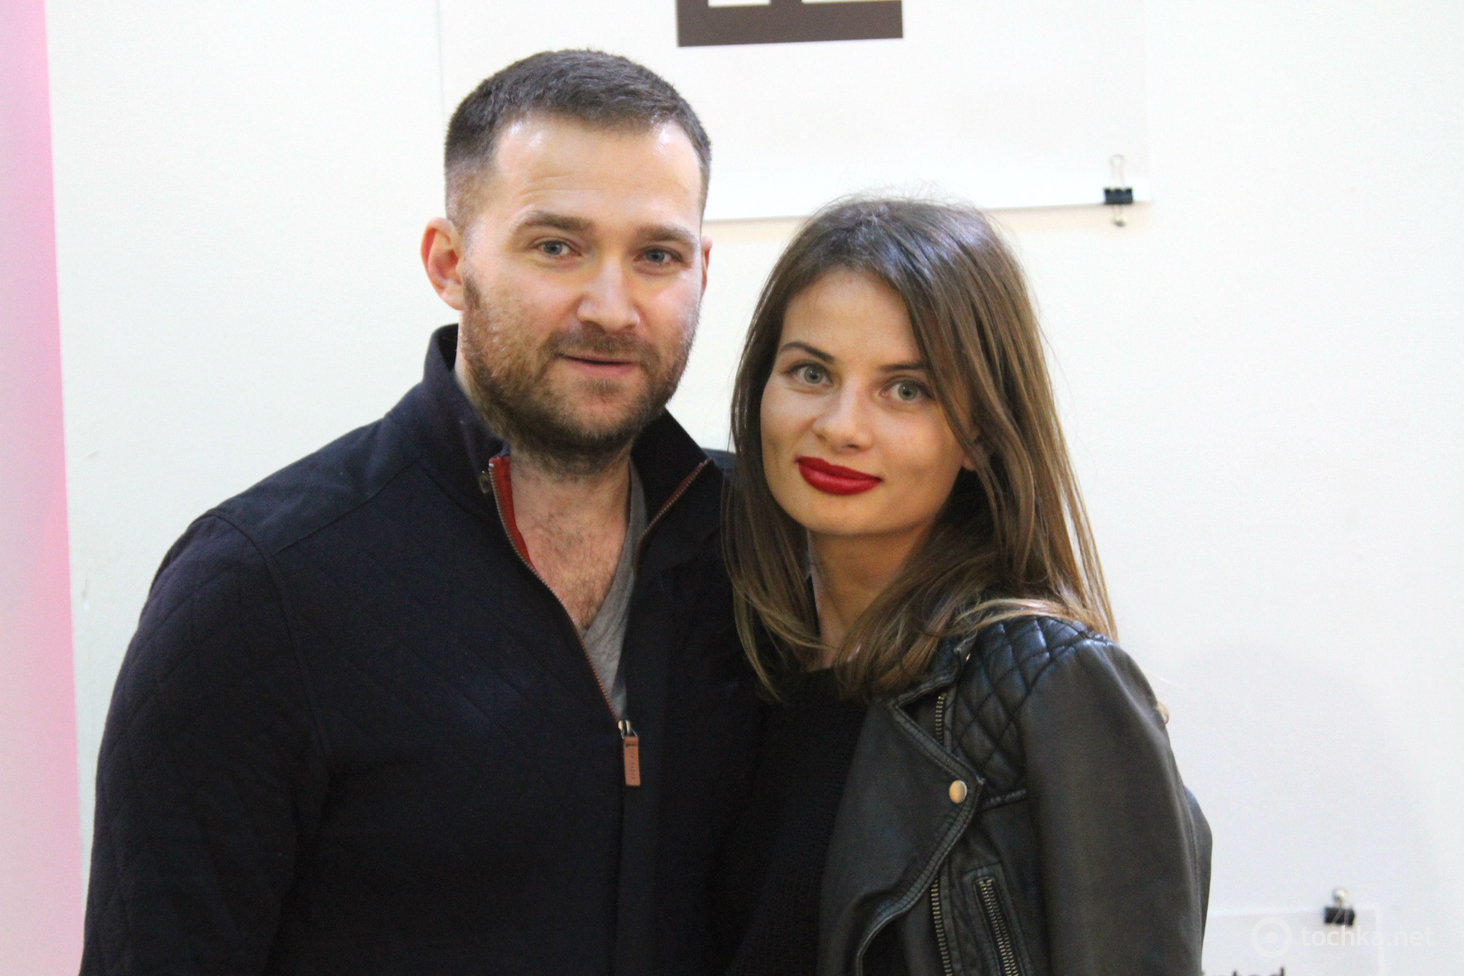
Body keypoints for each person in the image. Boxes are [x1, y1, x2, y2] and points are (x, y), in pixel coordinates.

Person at [81, 50, 762, 975]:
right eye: (556, 246)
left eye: (657, 256)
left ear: (702, 271)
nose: (612, 307)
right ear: (450, 263)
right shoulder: (255, 591)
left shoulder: (760, 549)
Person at [717, 198, 1211, 975]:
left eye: (906, 390)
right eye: (811, 373)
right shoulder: (730, 656)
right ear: (761, 391)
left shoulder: (1055, 686)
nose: (842, 425)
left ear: (981, 434)